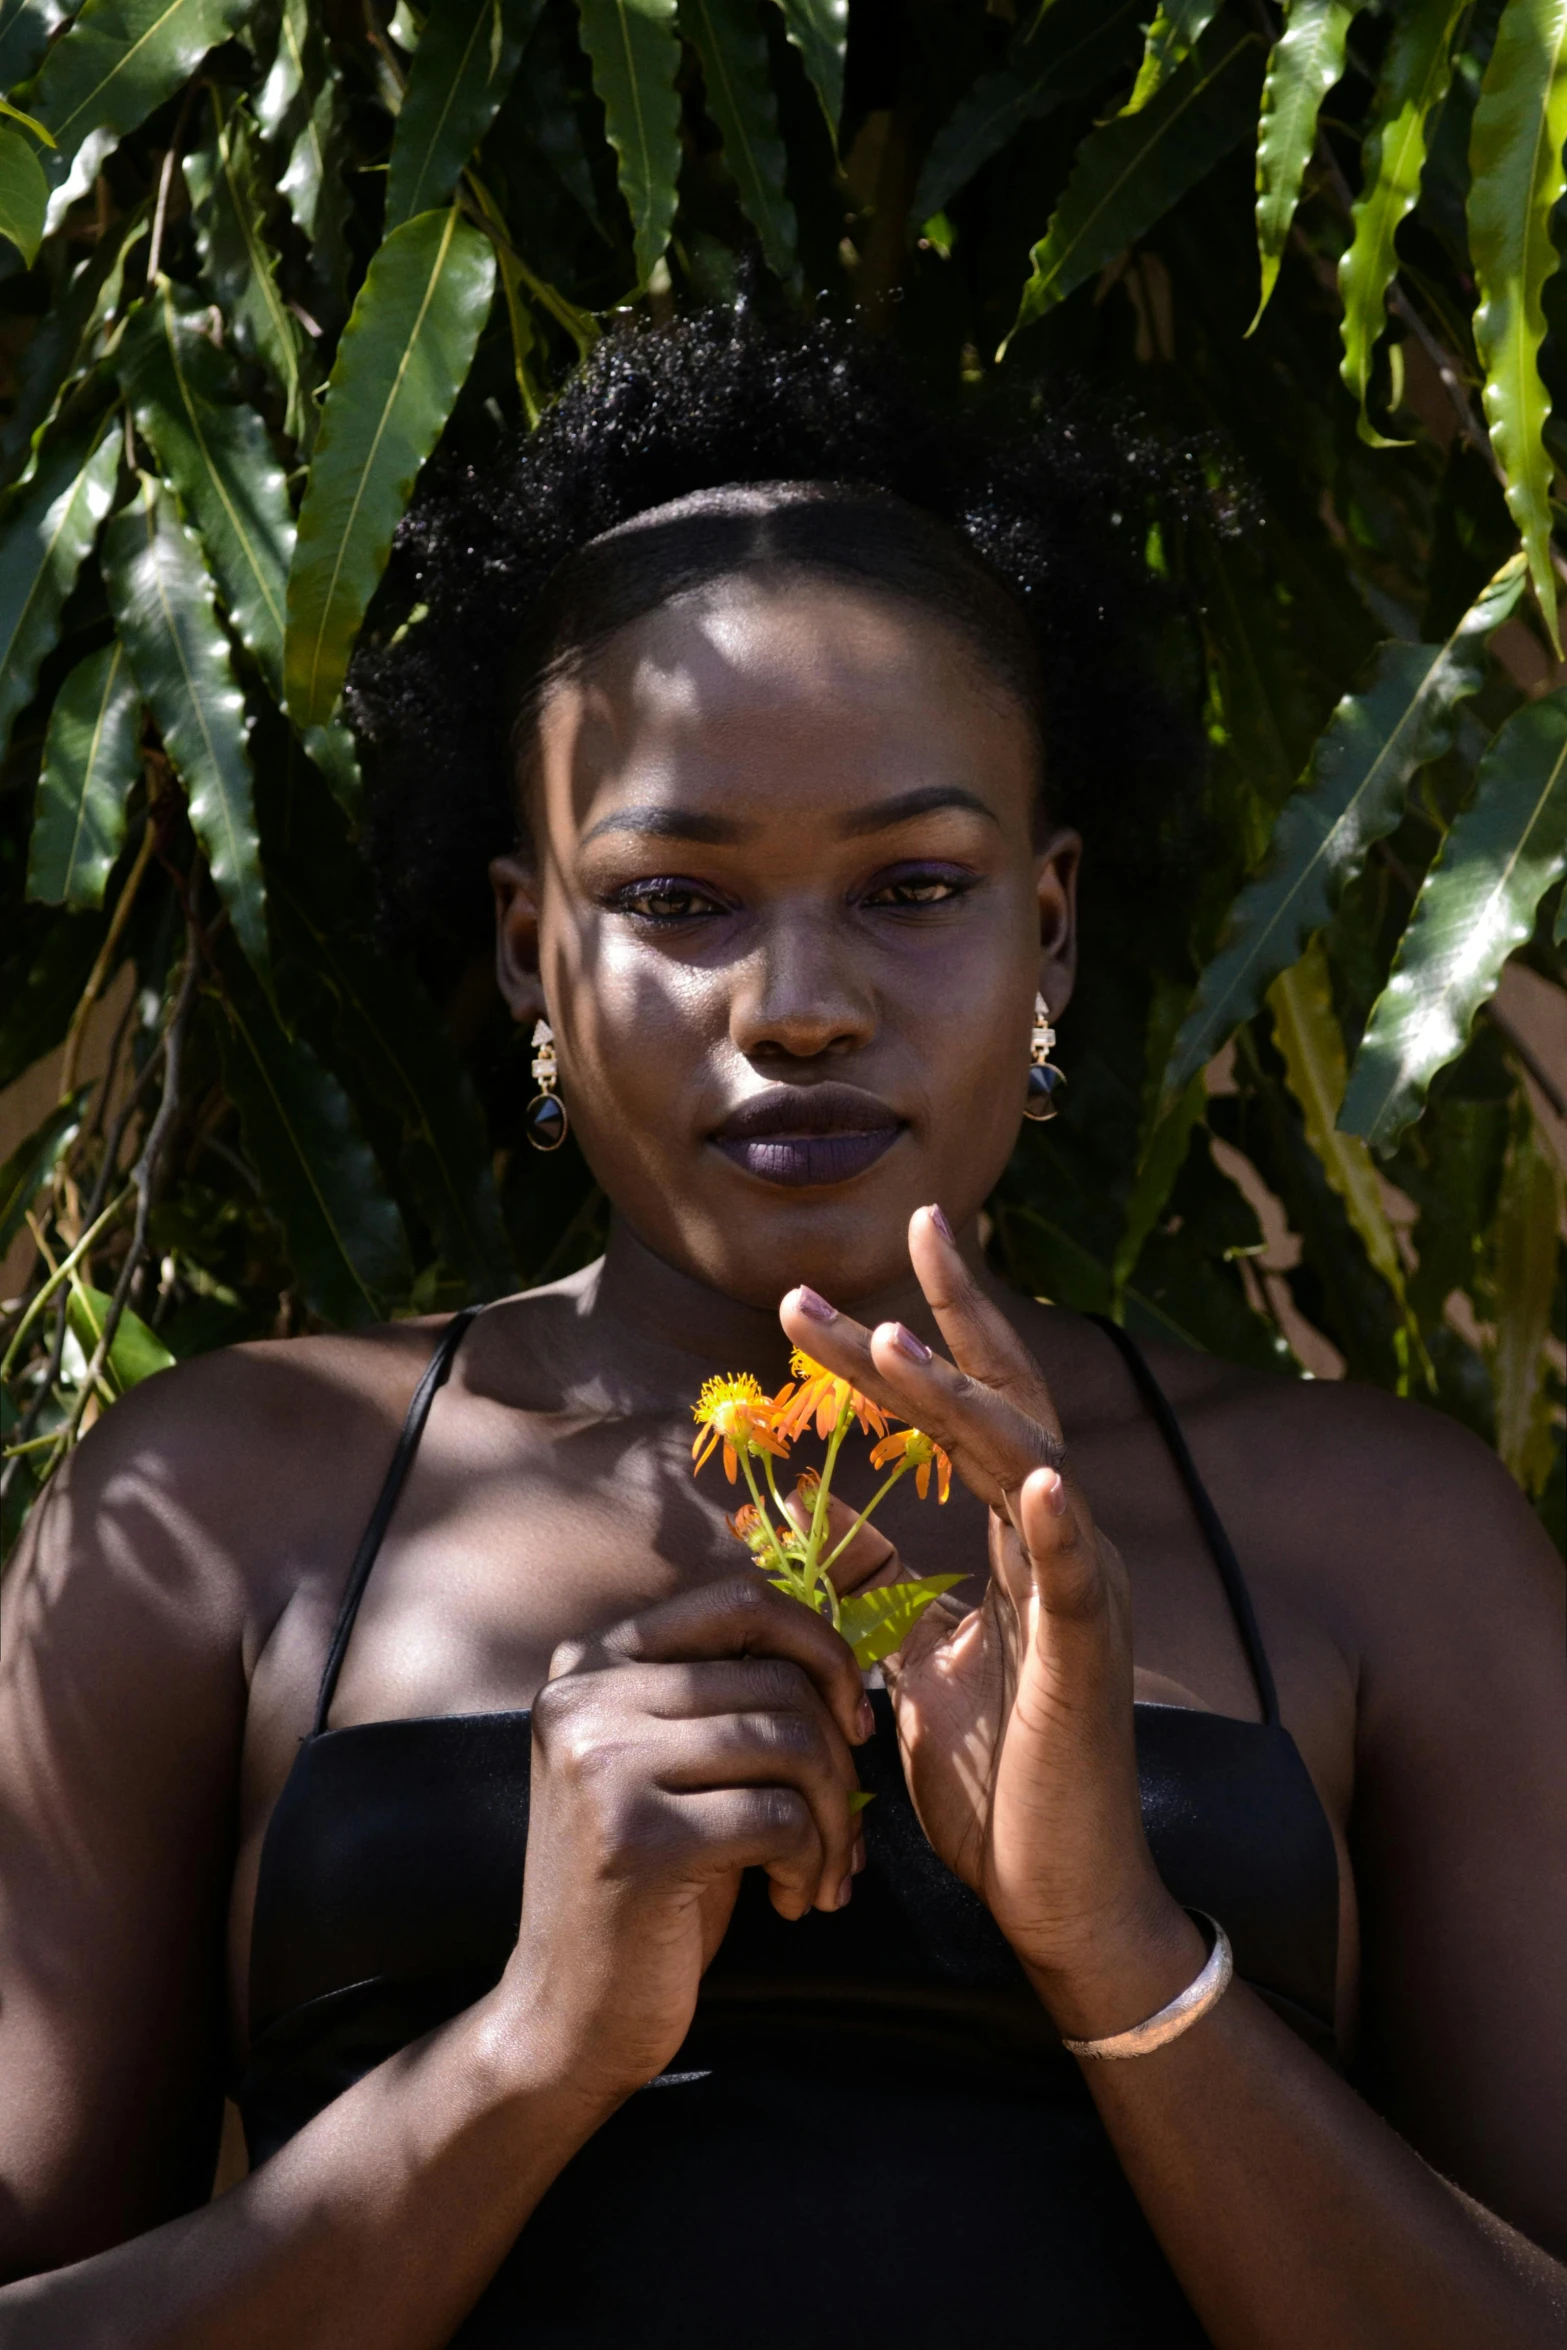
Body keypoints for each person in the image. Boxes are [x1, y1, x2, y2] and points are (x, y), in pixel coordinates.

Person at [0, 304, 1564, 2350]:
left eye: (914, 886)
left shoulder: (1385, 1543)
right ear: (527, 946)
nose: (799, 1001)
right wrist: (530, 2047)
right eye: (677, 897)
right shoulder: (220, 1506)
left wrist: (1124, 1957)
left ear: (1051, 927)